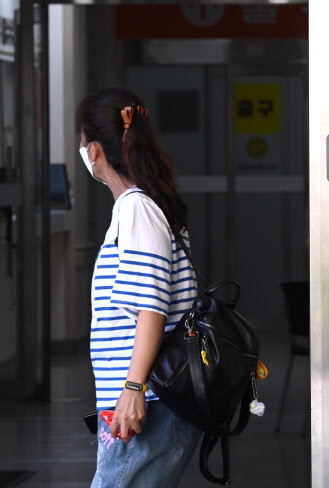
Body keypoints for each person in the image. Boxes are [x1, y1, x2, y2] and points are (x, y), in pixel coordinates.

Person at [76, 87, 201, 487]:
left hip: (148, 405)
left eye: (82, 142)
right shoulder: (147, 206)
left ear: (94, 150)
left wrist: (132, 388)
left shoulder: (136, 209)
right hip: (148, 404)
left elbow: (151, 308)